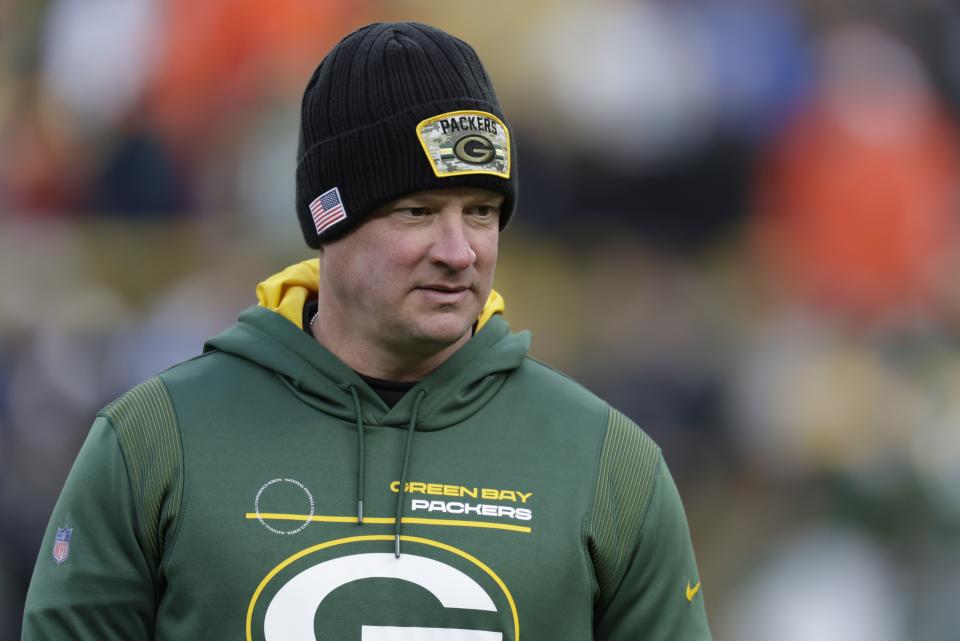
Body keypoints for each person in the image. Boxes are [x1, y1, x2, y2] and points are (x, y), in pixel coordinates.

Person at [22, 22, 712, 641]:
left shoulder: (608, 465)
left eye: (480, 210)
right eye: (416, 211)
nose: (458, 249)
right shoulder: (155, 440)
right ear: (331, 219)